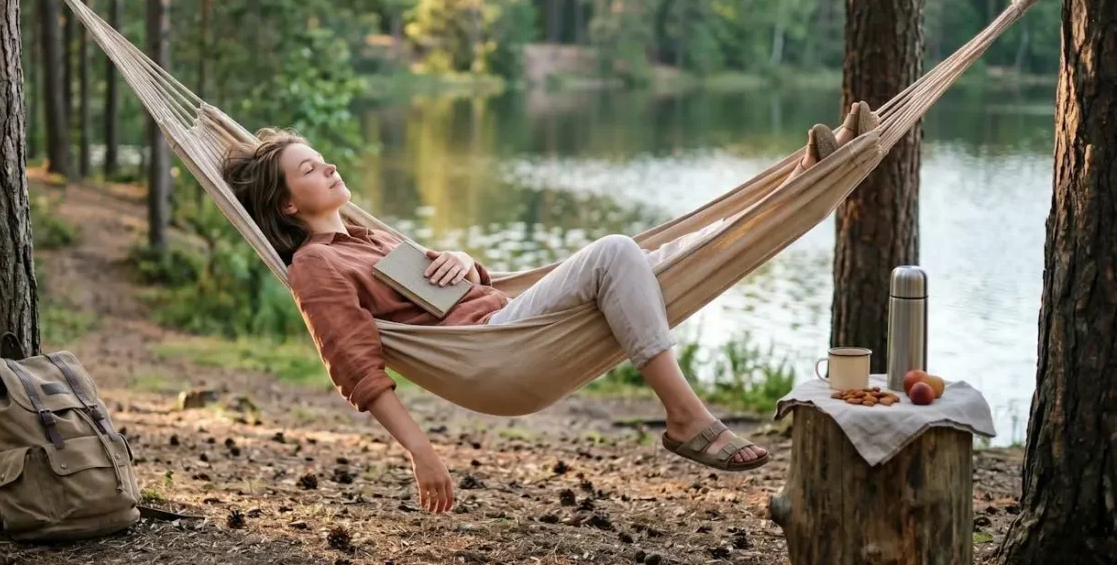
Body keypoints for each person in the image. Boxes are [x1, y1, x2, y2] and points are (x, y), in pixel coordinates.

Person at [222, 106, 875, 514]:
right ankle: (684, 418)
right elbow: (356, 368)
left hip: (503, 319)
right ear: (287, 205)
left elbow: (450, 288)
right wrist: (420, 452)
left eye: (322, 158)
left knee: (660, 258)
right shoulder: (317, 266)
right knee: (617, 253)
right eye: (311, 169)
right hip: (498, 352)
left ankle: (804, 180)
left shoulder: (371, 236)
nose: (330, 166)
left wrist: (461, 261)